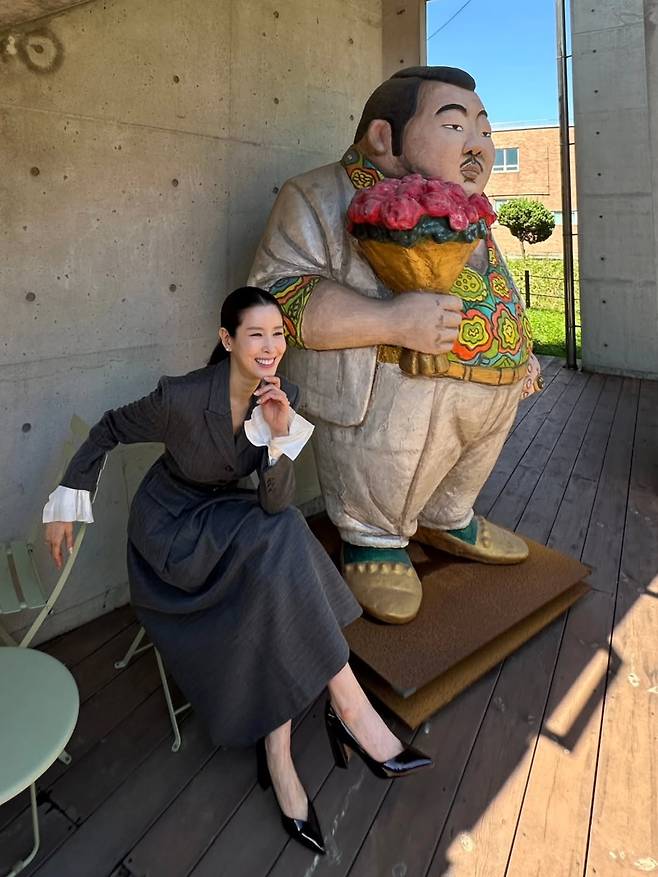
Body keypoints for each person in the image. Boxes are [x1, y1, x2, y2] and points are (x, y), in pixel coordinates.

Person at [42, 286, 432, 856]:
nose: (270, 346)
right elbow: (108, 429)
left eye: (278, 334)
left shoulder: (284, 396)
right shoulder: (179, 397)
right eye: (256, 334)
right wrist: (67, 499)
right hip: (170, 531)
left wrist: (276, 438)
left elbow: (274, 502)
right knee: (280, 545)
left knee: (282, 536)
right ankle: (348, 709)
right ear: (227, 340)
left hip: (227, 516)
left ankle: (284, 747)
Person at [249, 66, 542, 625]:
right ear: (385, 137)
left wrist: (520, 346)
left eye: (484, 129)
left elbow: (496, 284)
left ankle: (449, 515)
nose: (479, 145)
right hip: (380, 392)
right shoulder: (317, 194)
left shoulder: (469, 208)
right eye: (455, 126)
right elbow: (276, 294)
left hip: (488, 378)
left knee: (469, 457)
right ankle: (373, 538)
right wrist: (387, 319)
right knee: (392, 460)